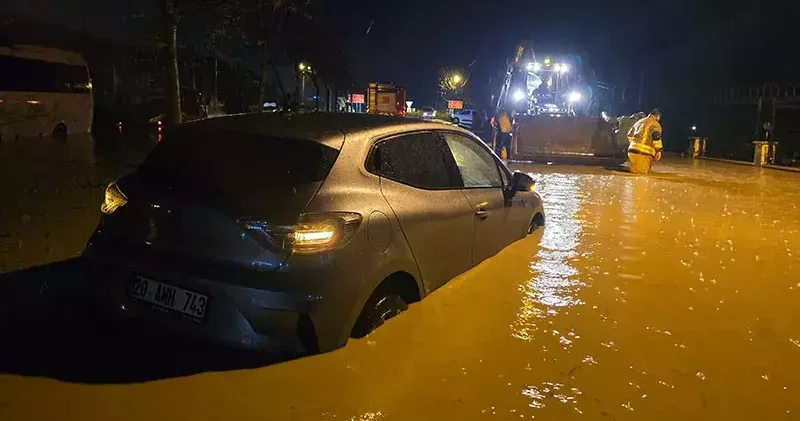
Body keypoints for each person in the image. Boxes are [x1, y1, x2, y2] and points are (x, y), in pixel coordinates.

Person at [626, 109, 663, 174]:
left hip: (632, 151)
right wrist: (658, 151)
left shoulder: (639, 122)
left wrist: (634, 145)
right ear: (658, 117)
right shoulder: (656, 124)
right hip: (644, 153)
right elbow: (656, 136)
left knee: (634, 173)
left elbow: (629, 135)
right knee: (642, 176)